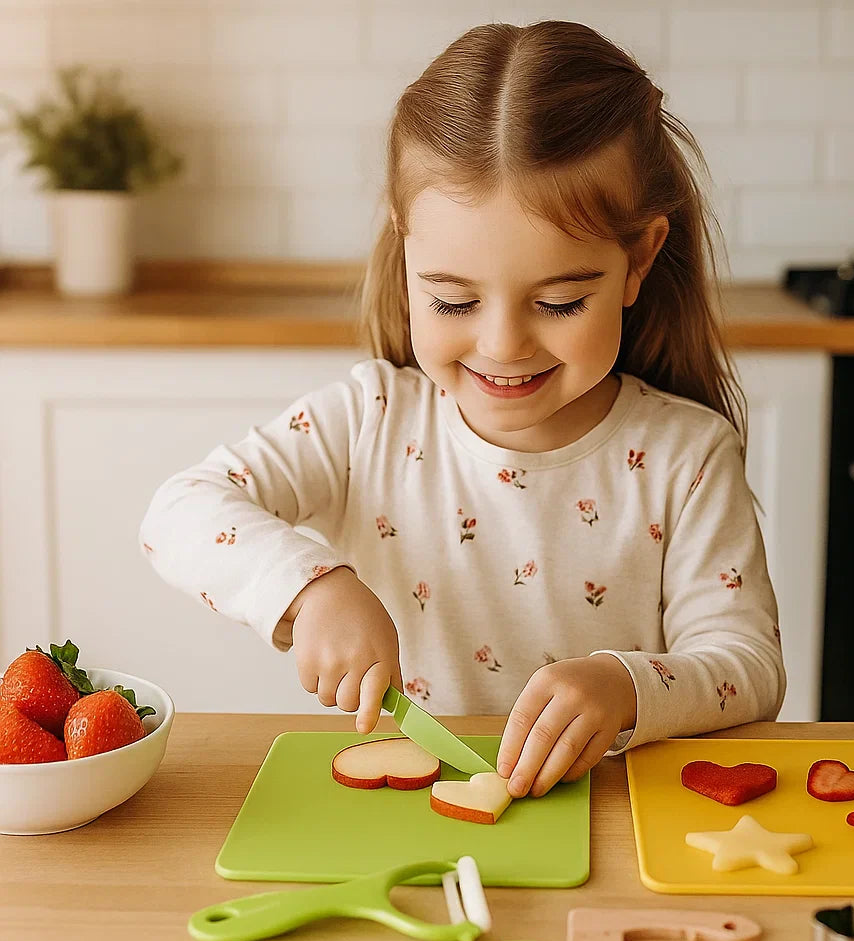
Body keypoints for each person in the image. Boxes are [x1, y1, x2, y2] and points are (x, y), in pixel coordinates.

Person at [139, 20, 785, 801]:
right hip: (403, 813)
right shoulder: (368, 420)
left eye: (560, 300)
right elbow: (178, 511)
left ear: (639, 259)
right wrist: (311, 587)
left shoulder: (686, 456)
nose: (503, 344)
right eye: (453, 299)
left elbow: (747, 666)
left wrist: (626, 688)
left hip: (610, 828)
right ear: (404, 243)